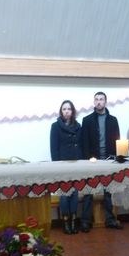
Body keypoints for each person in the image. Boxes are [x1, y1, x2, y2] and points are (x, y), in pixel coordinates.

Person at [80, 91, 123, 231]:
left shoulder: (113, 120)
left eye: (101, 99)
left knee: (108, 191)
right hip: (92, 161)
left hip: (109, 160)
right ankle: (86, 221)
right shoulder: (87, 120)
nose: (99, 101)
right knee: (88, 191)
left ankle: (110, 219)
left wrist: (118, 157)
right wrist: (86, 160)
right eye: (97, 99)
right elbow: (84, 142)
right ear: (94, 102)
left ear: (105, 102)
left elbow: (118, 140)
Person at [50, 100, 83, 234]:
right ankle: (65, 221)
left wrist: (81, 160)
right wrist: (56, 164)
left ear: (72, 111)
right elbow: (53, 147)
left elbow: (80, 145)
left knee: (74, 192)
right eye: (64, 109)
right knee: (64, 194)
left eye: (69, 109)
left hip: (75, 162)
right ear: (61, 111)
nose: (66, 111)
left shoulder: (78, 126)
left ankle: (73, 220)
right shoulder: (55, 126)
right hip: (62, 164)